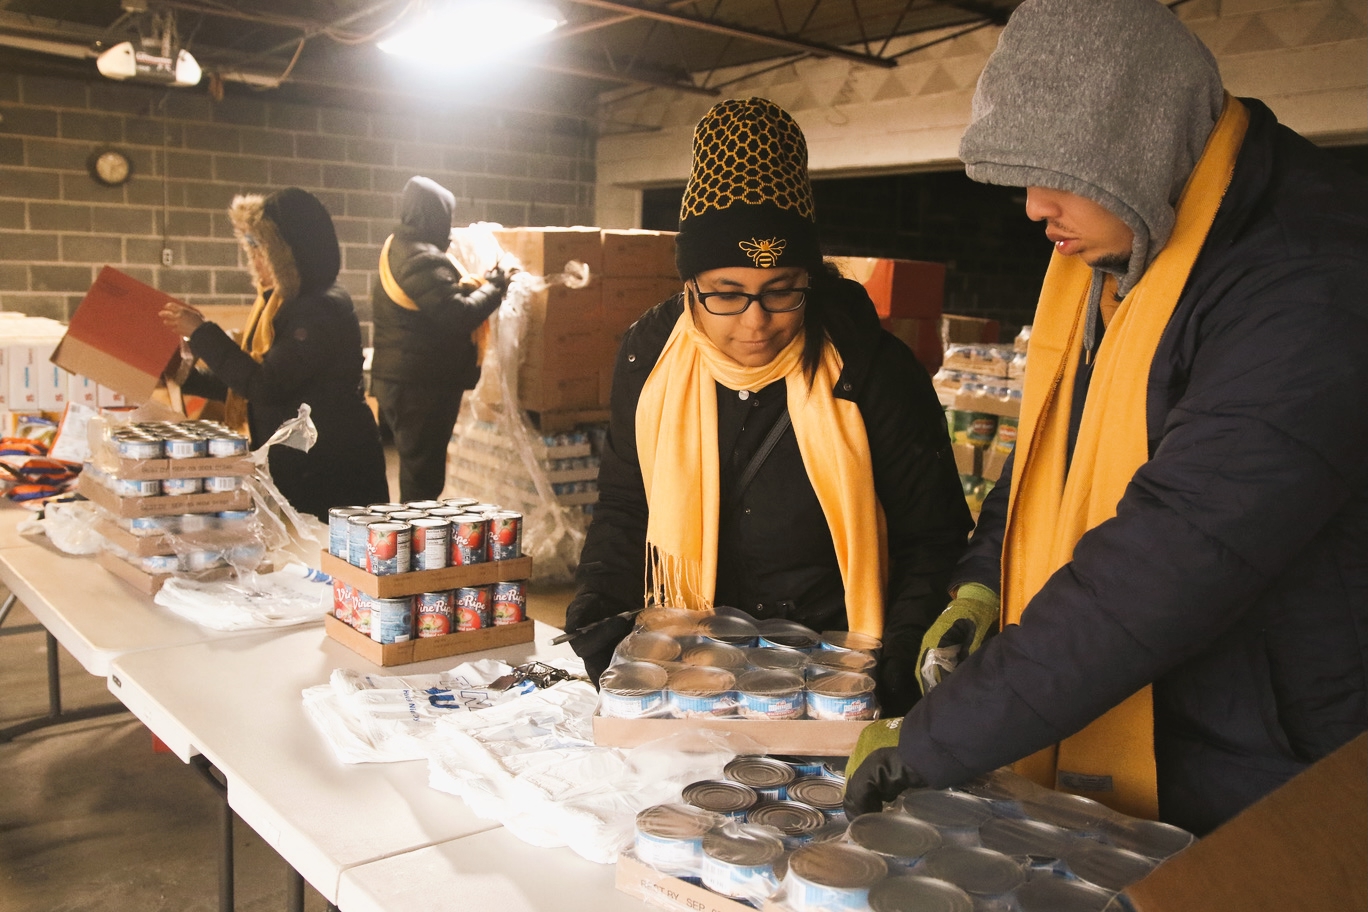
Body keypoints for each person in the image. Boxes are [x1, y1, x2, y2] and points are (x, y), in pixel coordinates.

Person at [844, 0, 1368, 837]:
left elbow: (1173, 554)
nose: (1032, 209)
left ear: (1138, 146)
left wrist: (934, 739)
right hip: (1166, 707)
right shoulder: (1138, 255)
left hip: (1264, 754)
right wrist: (986, 571)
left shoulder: (1311, 280)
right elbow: (1059, 439)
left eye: (1058, 175)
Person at [563, 97, 972, 716]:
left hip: (834, 676)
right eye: (727, 295)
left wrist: (895, 661)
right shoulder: (648, 360)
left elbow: (932, 537)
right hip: (691, 674)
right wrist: (601, 611)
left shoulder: (872, 370)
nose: (757, 323)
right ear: (689, 285)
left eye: (783, 292)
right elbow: (627, 504)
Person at [160, 187, 389, 521]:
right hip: (304, 461)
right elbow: (251, 378)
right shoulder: (279, 304)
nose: (253, 258)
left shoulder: (319, 309)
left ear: (292, 252)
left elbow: (266, 385)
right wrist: (184, 375)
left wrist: (202, 333)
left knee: (330, 560)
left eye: (261, 247)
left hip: (331, 468)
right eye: (249, 246)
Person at [370, 176, 510, 502]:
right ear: (434, 215)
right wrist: (497, 285)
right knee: (423, 478)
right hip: (421, 387)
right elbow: (458, 314)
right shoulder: (420, 257)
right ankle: (419, 545)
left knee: (417, 468)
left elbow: (438, 303)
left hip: (405, 381)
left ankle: (413, 539)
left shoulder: (398, 247)